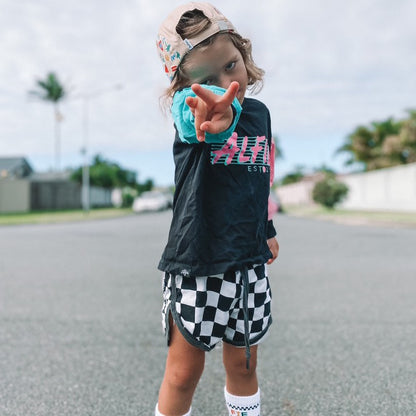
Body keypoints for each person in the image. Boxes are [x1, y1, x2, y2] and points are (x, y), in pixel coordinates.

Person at [155, 3, 279, 415]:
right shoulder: (189, 112)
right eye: (206, 79)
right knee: (183, 372)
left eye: (231, 65)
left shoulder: (260, 115)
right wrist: (215, 119)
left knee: (243, 365)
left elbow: (255, 179)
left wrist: (268, 229)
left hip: (248, 261)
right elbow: (198, 127)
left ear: (243, 53)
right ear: (182, 87)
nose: (226, 84)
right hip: (197, 263)